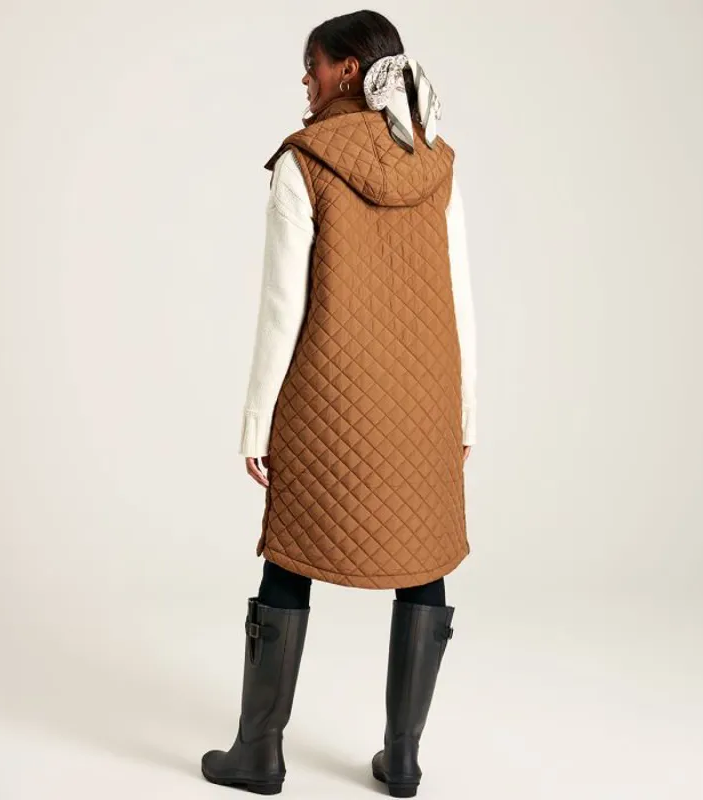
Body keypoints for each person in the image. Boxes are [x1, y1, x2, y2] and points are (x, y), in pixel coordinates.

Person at [201, 10, 477, 798]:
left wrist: (256, 421)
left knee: (292, 557)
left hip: (328, 398)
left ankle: (259, 753)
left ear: (349, 70)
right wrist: (467, 413)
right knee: (422, 564)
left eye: (314, 65)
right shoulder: (438, 161)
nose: (306, 79)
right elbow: (461, 298)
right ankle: (404, 758)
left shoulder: (306, 159)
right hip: (425, 402)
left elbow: (280, 308)